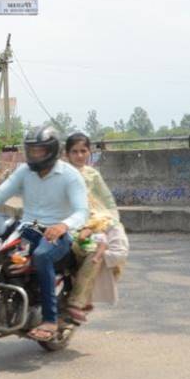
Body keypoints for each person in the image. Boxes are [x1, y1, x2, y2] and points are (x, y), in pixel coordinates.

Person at [0, 126, 89, 342]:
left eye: (40, 150)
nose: (35, 155)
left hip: (57, 234)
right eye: (32, 150)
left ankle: (50, 319)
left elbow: (82, 211)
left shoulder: (70, 176)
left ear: (52, 151)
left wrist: (63, 225)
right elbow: (0, 193)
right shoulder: (25, 172)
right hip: (27, 228)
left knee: (41, 255)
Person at [64, 133, 130, 323]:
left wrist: (109, 221)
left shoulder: (93, 174)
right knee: (92, 251)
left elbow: (107, 200)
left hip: (97, 221)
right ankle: (78, 301)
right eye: (74, 151)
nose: (79, 155)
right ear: (67, 154)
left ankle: (86, 295)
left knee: (116, 250)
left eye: (83, 151)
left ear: (89, 152)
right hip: (70, 223)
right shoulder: (62, 174)